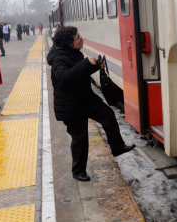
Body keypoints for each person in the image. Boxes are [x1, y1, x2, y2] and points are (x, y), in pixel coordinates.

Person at [47, 26, 134, 181]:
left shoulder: (74, 52)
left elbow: (78, 73)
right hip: (70, 105)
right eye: (78, 38)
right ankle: (78, 171)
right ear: (69, 43)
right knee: (80, 139)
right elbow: (65, 78)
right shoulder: (59, 59)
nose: (82, 39)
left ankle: (118, 147)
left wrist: (95, 66)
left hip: (85, 99)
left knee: (108, 115)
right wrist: (86, 64)